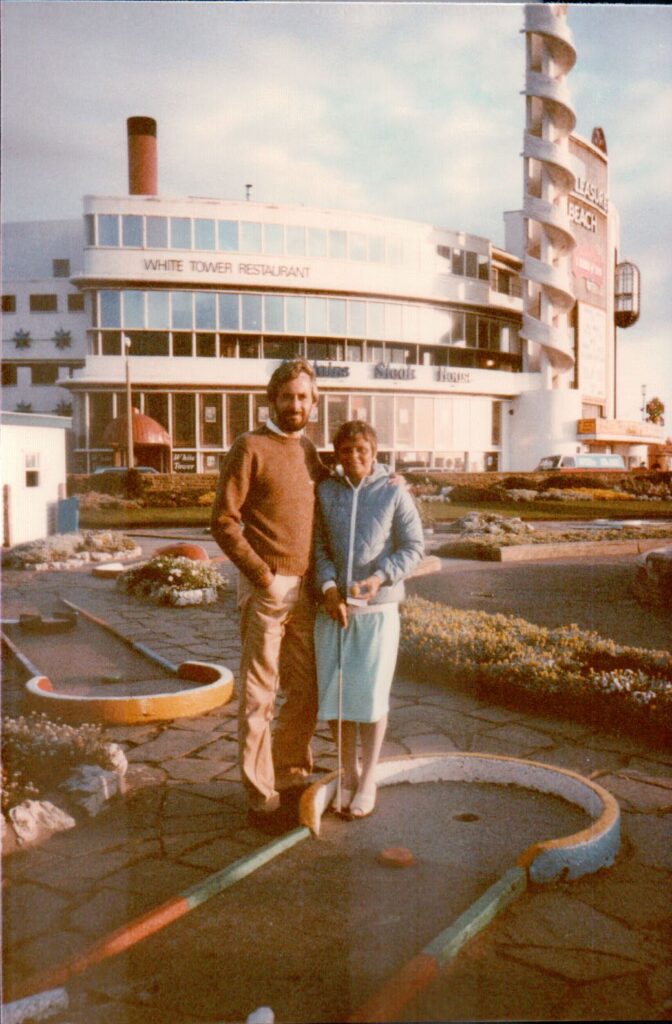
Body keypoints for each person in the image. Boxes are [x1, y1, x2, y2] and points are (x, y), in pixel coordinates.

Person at [210, 359, 327, 833]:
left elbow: (338, 488)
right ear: (272, 400)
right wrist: (261, 574)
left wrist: (390, 478)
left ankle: (292, 772)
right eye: (287, 396)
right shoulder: (249, 447)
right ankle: (260, 796)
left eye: (303, 397)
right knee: (259, 697)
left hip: (308, 593)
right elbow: (223, 521)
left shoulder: (311, 452)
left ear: (313, 404)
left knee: (307, 690)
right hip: (267, 591)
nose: (295, 404)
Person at [314, 420, 424, 819]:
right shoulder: (326, 491)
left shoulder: (393, 491)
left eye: (362, 450)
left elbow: (414, 547)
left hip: (378, 611)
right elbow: (319, 548)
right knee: (338, 696)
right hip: (334, 610)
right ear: (337, 455)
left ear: (374, 453)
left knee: (372, 696)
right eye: (346, 451)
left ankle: (369, 777)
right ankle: (347, 773)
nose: (354, 458)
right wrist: (328, 589)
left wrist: (380, 576)